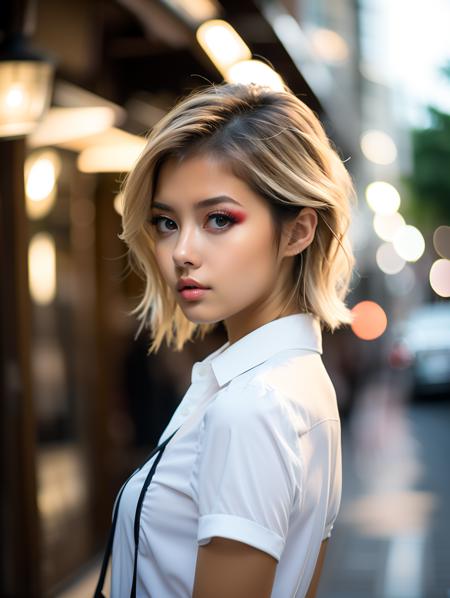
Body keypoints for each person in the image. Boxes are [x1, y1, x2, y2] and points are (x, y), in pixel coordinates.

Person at [110, 81, 356, 597]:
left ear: (297, 231)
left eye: (218, 219)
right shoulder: (293, 381)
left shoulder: (252, 406)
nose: (181, 252)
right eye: (166, 222)